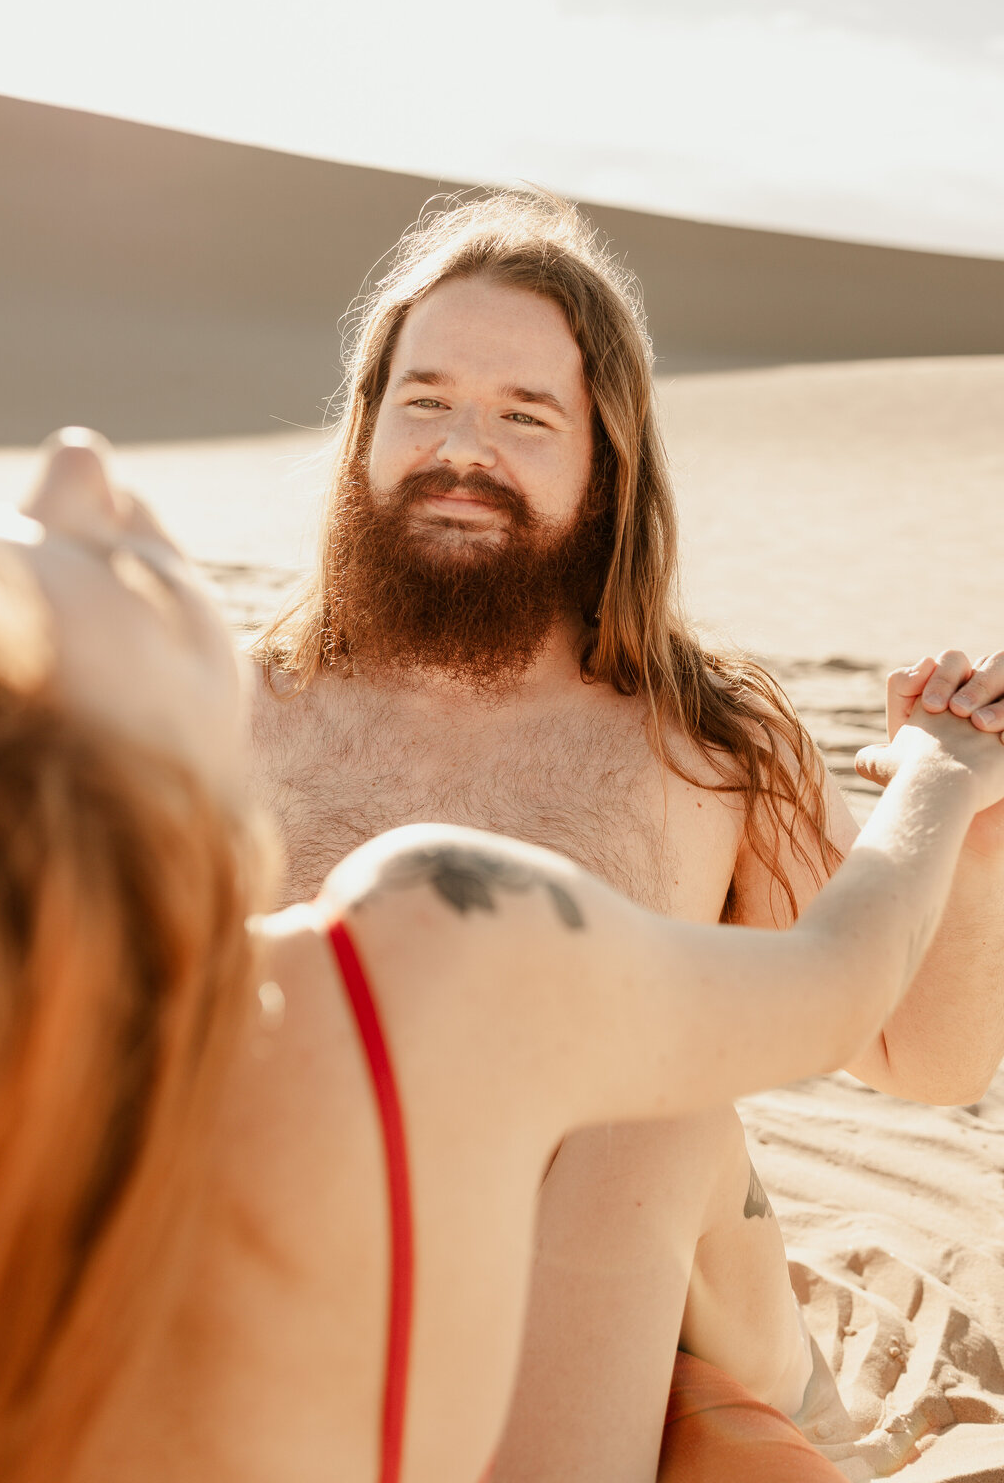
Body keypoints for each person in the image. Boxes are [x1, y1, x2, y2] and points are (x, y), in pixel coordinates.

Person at [0, 428, 1004, 1483]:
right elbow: (843, 980)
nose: (74, 459)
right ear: (106, 794)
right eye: (45, 566)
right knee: (651, 1111)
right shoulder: (435, 951)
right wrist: (944, 773)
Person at [250, 188, 1004, 1475]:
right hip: (299, 1304)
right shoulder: (238, 711)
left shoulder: (703, 742)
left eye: (524, 415)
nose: (459, 447)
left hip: (658, 1324)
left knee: (629, 1082)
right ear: (366, 427)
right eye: (424, 399)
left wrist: (970, 831)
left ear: (607, 469)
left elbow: (921, 1057)